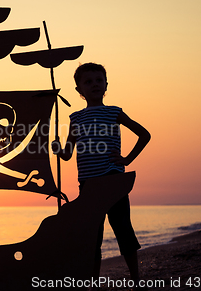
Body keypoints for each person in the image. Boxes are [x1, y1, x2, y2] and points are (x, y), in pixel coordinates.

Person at [52, 62, 151, 289]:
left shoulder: (114, 112)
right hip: (87, 184)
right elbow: (67, 154)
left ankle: (136, 279)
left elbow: (144, 134)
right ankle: (92, 283)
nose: (94, 85)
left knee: (123, 230)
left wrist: (127, 159)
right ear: (79, 90)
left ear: (106, 85)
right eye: (88, 82)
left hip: (113, 180)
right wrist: (57, 148)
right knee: (92, 236)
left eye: (99, 80)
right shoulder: (76, 118)